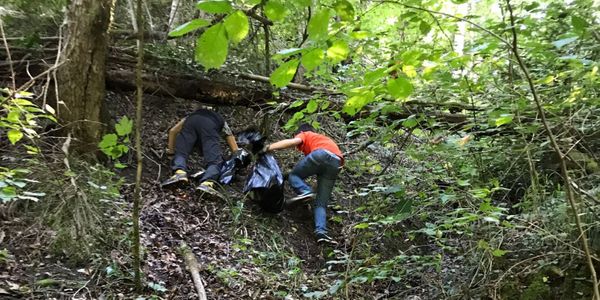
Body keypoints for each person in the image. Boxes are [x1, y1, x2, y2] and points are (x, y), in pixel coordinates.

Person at [261, 123, 343, 245]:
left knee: (294, 175)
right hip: (337, 163)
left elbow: (293, 142)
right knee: (320, 203)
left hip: (321, 155)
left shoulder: (306, 134)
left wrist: (268, 147)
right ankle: (321, 233)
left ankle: (306, 192)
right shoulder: (322, 139)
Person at [161, 105, 240, 193]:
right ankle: (207, 183)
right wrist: (236, 161)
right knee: (215, 161)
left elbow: (172, 131)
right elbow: (234, 148)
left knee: (181, 153)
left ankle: (180, 173)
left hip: (191, 121)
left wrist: (171, 152)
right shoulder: (219, 120)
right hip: (209, 126)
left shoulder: (192, 115)